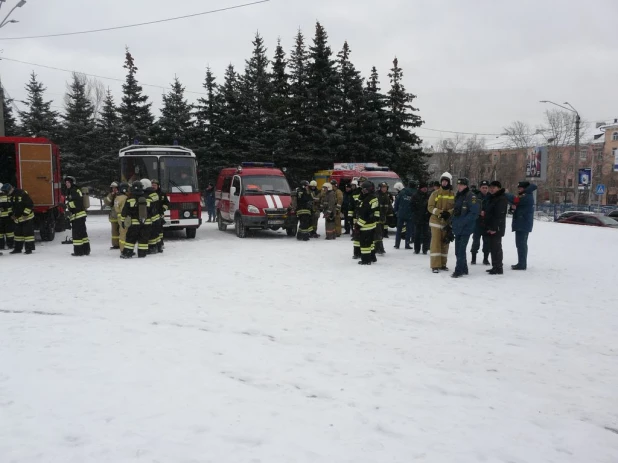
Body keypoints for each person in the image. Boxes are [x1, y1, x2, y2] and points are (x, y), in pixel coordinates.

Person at [450, 178, 480, 278]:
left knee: (461, 250)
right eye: (458, 185)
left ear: (466, 186)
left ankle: (458, 270)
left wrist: (463, 222)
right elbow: (456, 211)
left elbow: (474, 213)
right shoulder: (458, 196)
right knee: (458, 250)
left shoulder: (471, 196)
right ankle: (464, 268)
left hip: (466, 228)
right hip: (458, 227)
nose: (459, 186)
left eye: (461, 185)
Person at [506, 181, 538, 270]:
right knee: (520, 244)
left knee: (521, 244)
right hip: (521, 223)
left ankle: (522, 264)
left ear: (525, 188)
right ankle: (521, 263)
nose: (519, 189)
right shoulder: (525, 195)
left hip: (523, 224)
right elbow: (515, 204)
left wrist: (505, 193)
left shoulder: (526, 196)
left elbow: (515, 200)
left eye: (521, 188)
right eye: (518, 188)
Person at [427, 172, 455, 273]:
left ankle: (443, 264)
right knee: (435, 244)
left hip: (446, 223)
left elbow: (455, 208)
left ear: (449, 182)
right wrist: (440, 212)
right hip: (435, 221)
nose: (444, 183)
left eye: (446, 181)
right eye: (442, 181)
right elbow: (430, 207)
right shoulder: (435, 193)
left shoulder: (453, 195)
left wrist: (448, 213)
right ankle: (435, 265)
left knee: (445, 243)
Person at [120, 181, 153, 258]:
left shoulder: (130, 199)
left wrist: (122, 221)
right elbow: (153, 212)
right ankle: (142, 254)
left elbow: (124, 212)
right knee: (143, 240)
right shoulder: (148, 198)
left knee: (130, 239)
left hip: (134, 224)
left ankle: (127, 253)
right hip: (146, 224)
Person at [484, 181, 508, 275]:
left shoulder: (501, 199)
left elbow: (499, 215)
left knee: (496, 247)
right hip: (491, 226)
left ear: (498, 188)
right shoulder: (493, 197)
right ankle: (495, 266)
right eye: (491, 188)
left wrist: (494, 228)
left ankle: (498, 267)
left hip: (497, 227)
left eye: (494, 188)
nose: (492, 189)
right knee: (493, 247)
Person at [4, 184, 35, 254]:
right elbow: (10, 206)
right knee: (18, 235)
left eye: (7, 192)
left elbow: (30, 204)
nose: (6, 194)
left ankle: (29, 249)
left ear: (10, 189)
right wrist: (11, 215)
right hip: (17, 218)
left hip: (27, 218)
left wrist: (25, 214)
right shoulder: (9, 196)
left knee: (28, 235)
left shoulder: (22, 193)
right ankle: (18, 249)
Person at [65, 176, 90, 257]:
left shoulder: (73, 191)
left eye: (68, 183)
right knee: (83, 234)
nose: (67, 184)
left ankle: (78, 251)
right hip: (80, 216)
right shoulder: (75, 190)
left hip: (77, 216)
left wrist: (67, 204)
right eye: (66, 183)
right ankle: (86, 250)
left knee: (77, 235)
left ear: (72, 183)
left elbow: (77, 203)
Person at [356, 180, 379, 265]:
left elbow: (365, 214)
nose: (363, 191)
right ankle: (372, 257)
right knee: (370, 243)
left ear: (369, 189)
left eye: (365, 190)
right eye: (362, 189)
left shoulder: (369, 199)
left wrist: (359, 225)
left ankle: (366, 260)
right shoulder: (371, 197)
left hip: (366, 225)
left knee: (365, 244)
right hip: (371, 225)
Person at [471, 180, 491, 265]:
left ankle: (485, 258)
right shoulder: (475, 196)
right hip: (477, 223)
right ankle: (473, 258)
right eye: (483, 188)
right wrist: (479, 212)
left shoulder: (490, 197)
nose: (485, 189)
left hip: (487, 223)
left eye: (486, 188)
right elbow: (472, 207)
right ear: (480, 188)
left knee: (487, 242)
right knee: (476, 241)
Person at [393, 181, 414, 250]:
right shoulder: (412, 193)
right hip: (410, 214)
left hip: (401, 214)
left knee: (399, 230)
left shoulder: (400, 194)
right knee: (408, 230)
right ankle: (407, 244)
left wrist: (395, 211)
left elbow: (396, 204)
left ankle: (397, 244)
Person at [411, 181, 431, 254]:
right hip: (418, 218)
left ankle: (425, 249)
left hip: (426, 218)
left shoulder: (429, 196)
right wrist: (416, 213)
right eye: (423, 187)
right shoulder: (415, 195)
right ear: (420, 188)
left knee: (426, 234)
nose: (425, 189)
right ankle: (417, 249)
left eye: (426, 187)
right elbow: (412, 206)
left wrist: (428, 213)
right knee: (417, 234)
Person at [142, 179, 161, 254]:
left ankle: (152, 248)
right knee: (156, 234)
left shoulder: (147, 195)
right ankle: (159, 247)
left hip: (151, 217)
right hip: (156, 216)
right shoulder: (154, 193)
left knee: (152, 234)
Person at [374, 182, 393, 254]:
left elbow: (389, 206)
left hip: (383, 218)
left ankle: (378, 247)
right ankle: (379, 248)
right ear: (379, 188)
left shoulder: (386, 196)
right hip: (376, 218)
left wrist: (390, 216)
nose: (384, 189)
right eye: (383, 187)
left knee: (380, 233)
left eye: (385, 187)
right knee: (378, 233)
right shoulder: (376, 195)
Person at [152, 179, 169, 252]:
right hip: (152, 215)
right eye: (152, 185)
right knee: (152, 229)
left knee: (160, 230)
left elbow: (167, 203)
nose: (153, 187)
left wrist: (163, 209)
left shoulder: (162, 194)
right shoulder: (149, 193)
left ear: (158, 186)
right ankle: (154, 244)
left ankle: (161, 243)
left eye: (155, 185)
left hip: (160, 214)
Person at [114, 182, 130, 253]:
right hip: (124, 218)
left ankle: (122, 248)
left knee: (121, 233)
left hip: (119, 217)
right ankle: (124, 249)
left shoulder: (117, 197)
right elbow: (125, 209)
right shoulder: (124, 198)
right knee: (125, 234)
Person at [104, 181, 120, 249]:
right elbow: (106, 202)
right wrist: (111, 195)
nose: (114, 189)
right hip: (113, 216)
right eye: (112, 188)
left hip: (120, 216)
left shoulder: (121, 194)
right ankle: (115, 244)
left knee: (122, 231)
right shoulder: (110, 195)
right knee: (114, 232)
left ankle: (122, 244)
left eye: (115, 188)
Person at [0, 183, 15, 250]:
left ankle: (6, 245)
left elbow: (10, 205)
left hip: (7, 217)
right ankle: (7, 245)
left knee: (8, 233)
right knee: (7, 233)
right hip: (6, 217)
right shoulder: (7, 196)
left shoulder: (8, 196)